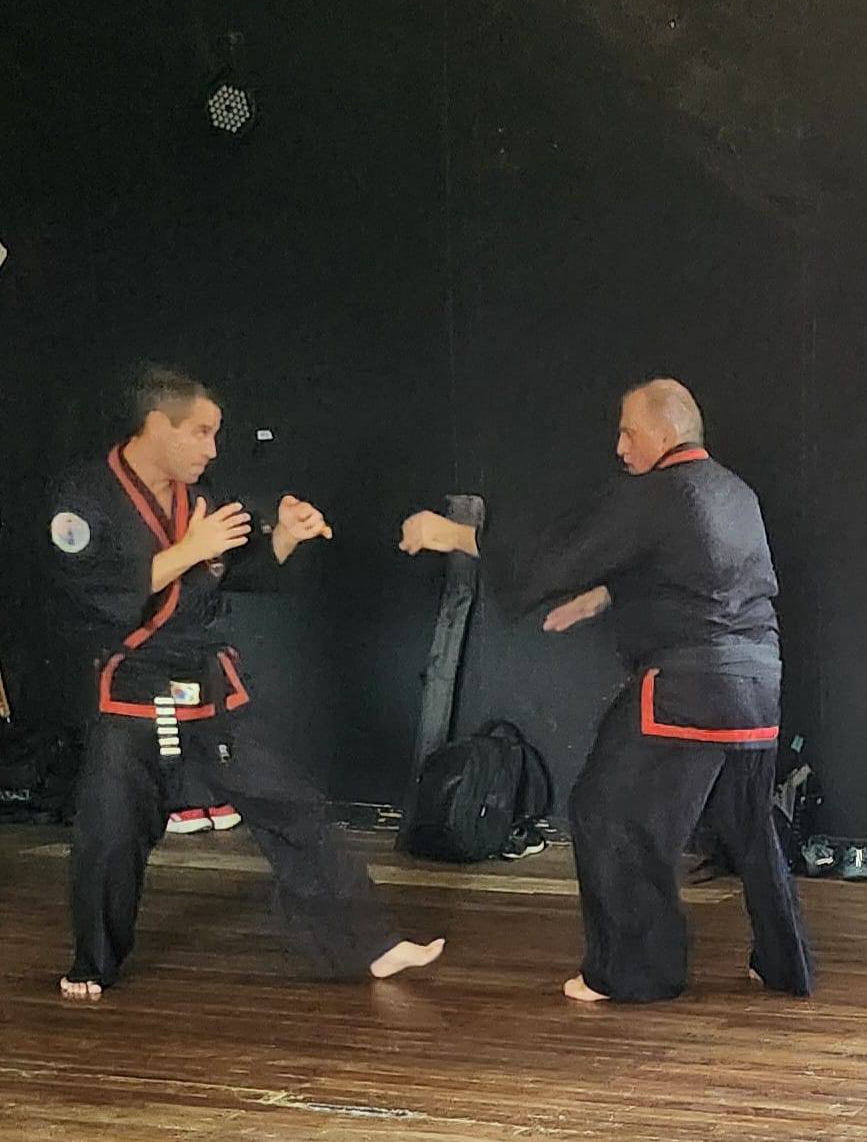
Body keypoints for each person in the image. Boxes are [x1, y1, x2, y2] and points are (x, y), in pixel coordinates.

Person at [399, 377, 812, 1003]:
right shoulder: (734, 493)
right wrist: (604, 596)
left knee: (604, 809)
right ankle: (784, 963)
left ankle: (636, 972)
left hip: (687, 687)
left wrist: (457, 535)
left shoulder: (658, 492)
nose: (620, 447)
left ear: (664, 432)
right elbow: (699, 569)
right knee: (747, 822)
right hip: (758, 686)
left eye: (628, 432)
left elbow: (562, 552)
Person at [51, 363, 444, 999]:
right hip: (132, 687)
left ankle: (369, 943)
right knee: (111, 831)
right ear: (158, 426)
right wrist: (190, 547)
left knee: (292, 806)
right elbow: (97, 595)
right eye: (200, 433)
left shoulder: (200, 496)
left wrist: (283, 536)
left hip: (207, 680)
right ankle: (92, 964)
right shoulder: (84, 499)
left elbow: (240, 569)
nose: (212, 449)